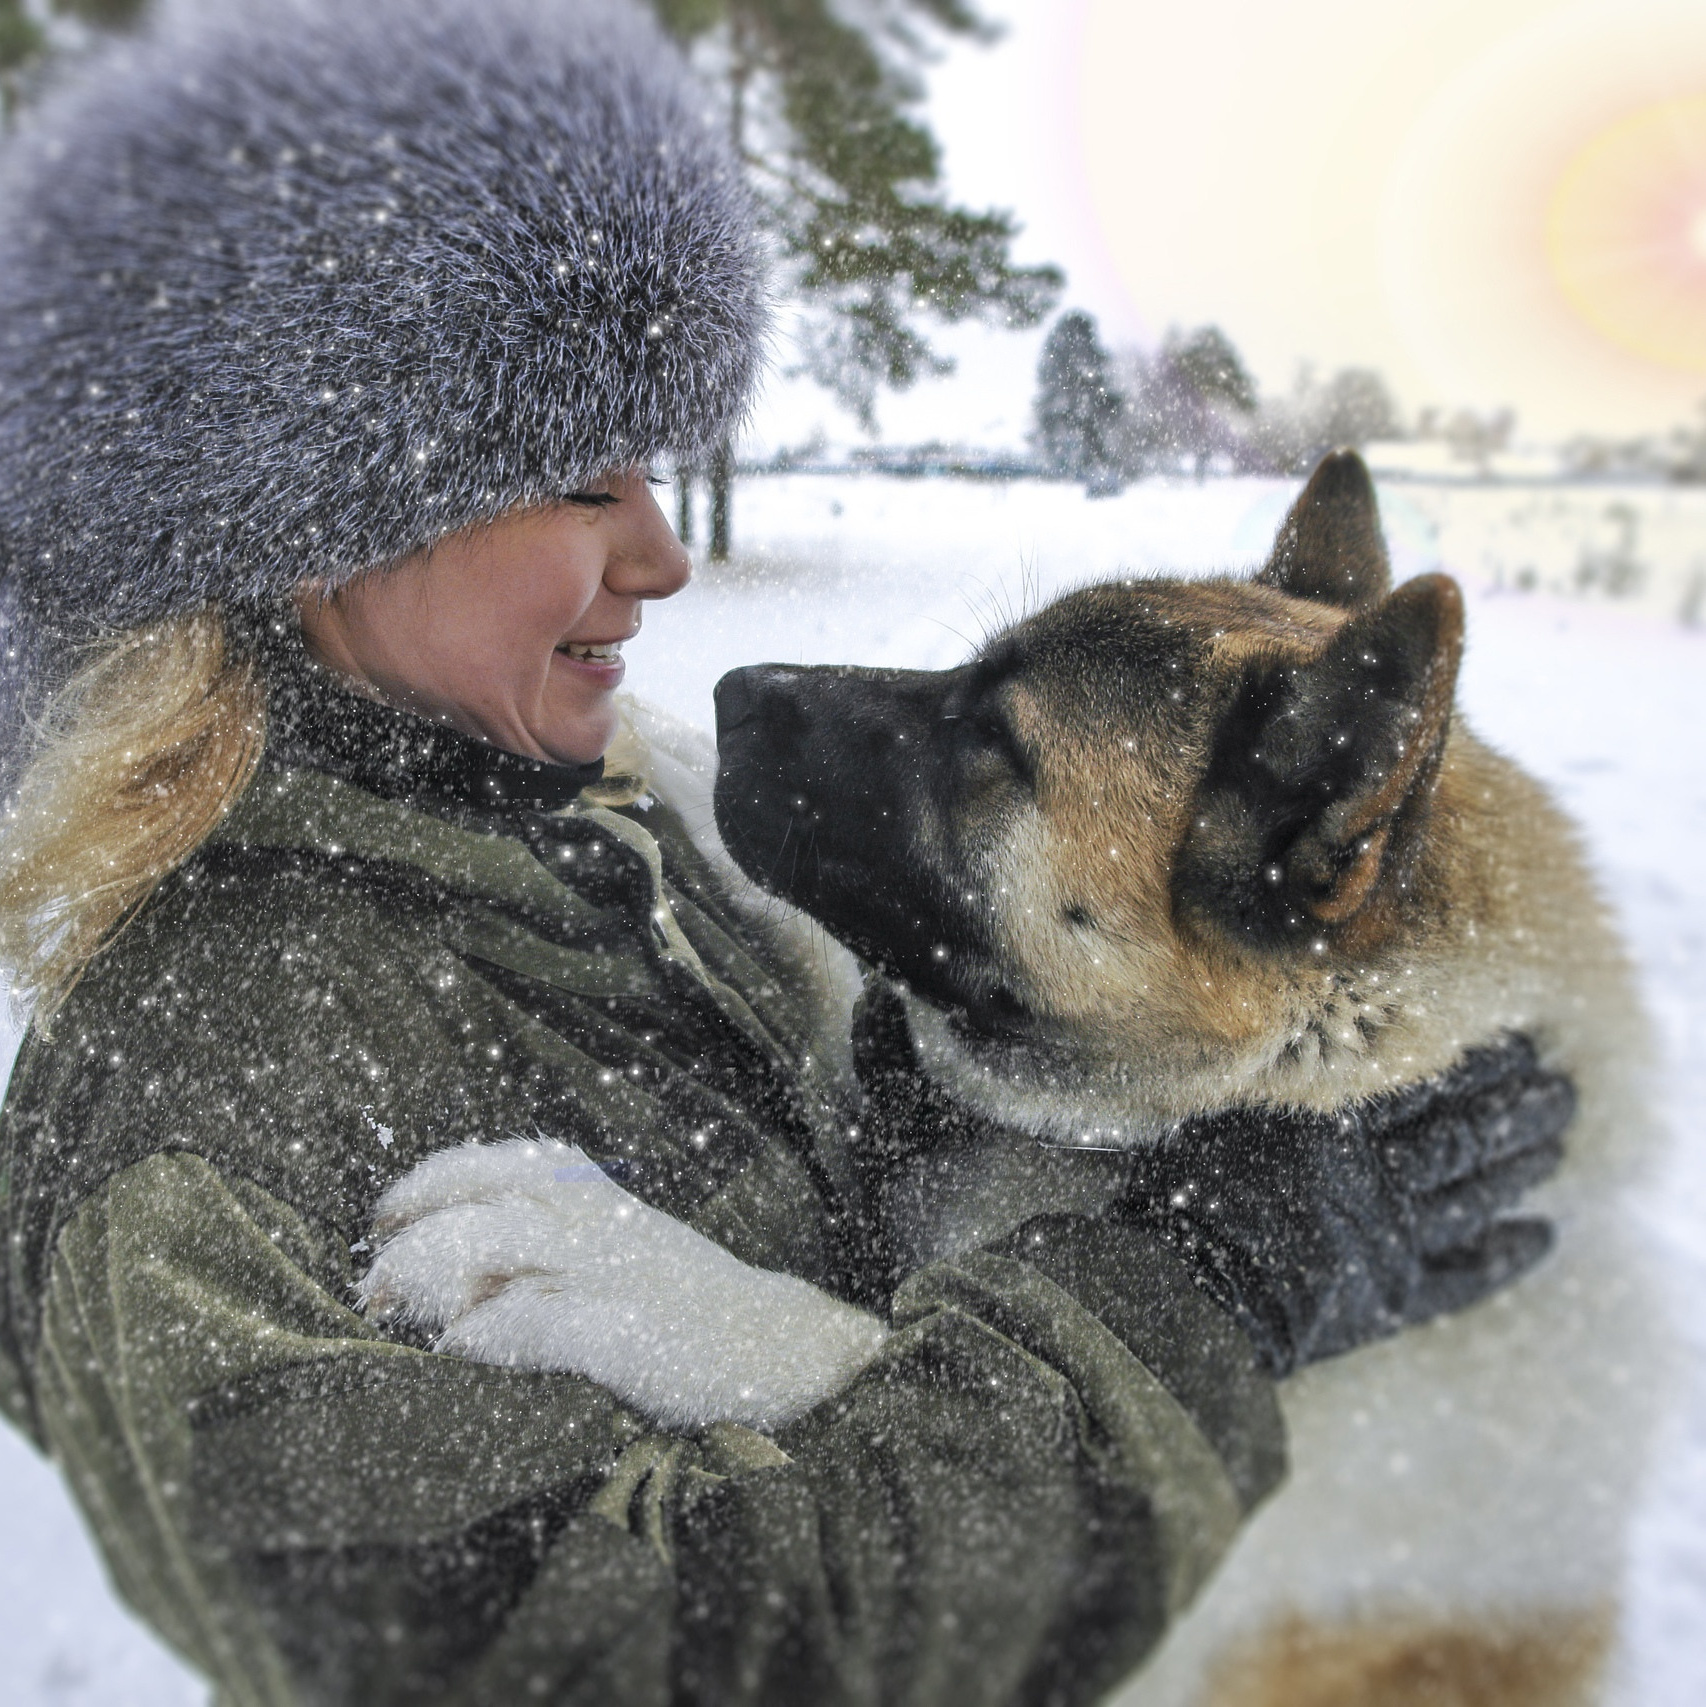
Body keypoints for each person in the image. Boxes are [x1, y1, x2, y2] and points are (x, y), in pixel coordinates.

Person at [0, 3, 1573, 1704]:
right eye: (575, 484)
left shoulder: (614, 819)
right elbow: (634, 1663)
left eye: (655, 469)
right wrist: (1199, 1293)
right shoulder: (202, 1096)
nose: (669, 557)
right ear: (305, 527)